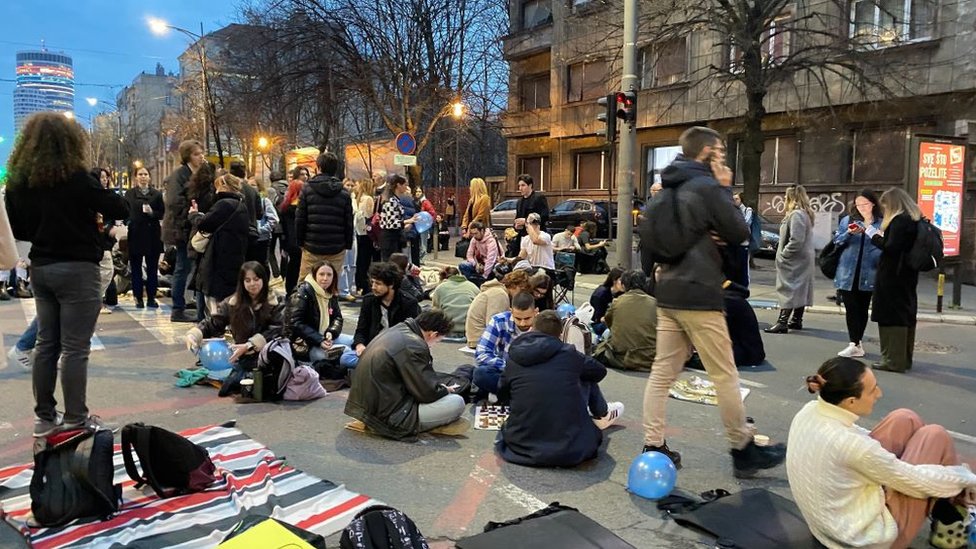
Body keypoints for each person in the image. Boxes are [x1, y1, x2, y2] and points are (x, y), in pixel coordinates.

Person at [640, 126, 785, 476]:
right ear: (706, 153)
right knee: (725, 374)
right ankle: (742, 448)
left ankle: (653, 443)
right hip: (701, 292)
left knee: (662, 372)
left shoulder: (664, 190)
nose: (723, 156)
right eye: (719, 150)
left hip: (669, 292)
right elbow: (738, 233)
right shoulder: (706, 187)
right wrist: (723, 187)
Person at [4, 112, 129, 436]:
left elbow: (19, 228)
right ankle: (76, 417)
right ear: (70, 142)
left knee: (47, 344)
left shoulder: (20, 181)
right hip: (77, 267)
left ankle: (45, 418)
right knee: (75, 347)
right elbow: (120, 208)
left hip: (42, 268)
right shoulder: (75, 176)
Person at [787, 357, 976, 549]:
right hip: (861, 541)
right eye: (872, 390)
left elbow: (858, 441)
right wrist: (968, 478)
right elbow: (917, 481)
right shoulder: (854, 447)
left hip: (830, 522)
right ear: (851, 401)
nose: (879, 394)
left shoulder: (809, 411)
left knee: (905, 418)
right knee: (935, 436)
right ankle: (949, 521)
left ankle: (947, 513)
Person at [497, 311, 624, 467]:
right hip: (568, 446)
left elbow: (502, 392)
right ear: (560, 334)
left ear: (533, 329)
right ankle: (602, 413)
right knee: (585, 374)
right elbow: (599, 372)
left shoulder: (514, 355)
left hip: (522, 441)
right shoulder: (570, 355)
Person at [344, 309, 468, 440]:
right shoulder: (415, 345)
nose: (434, 345)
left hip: (366, 405)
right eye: (437, 341)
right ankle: (427, 425)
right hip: (388, 415)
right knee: (456, 402)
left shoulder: (399, 329)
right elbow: (426, 393)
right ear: (433, 334)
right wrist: (444, 390)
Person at [185, 262, 284, 395]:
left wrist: (250, 345)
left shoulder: (277, 301)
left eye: (256, 279)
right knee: (228, 388)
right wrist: (194, 334)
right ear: (242, 283)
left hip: (269, 355)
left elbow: (277, 329)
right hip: (242, 356)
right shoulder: (232, 303)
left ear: (264, 280)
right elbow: (214, 322)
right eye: (247, 280)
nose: (252, 284)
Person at [868, 188, 922, 373]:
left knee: (890, 315)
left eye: (885, 206)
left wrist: (873, 236)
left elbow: (891, 247)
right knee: (905, 314)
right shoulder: (914, 219)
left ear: (893, 204)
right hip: (907, 275)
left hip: (893, 275)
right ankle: (904, 358)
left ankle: (892, 360)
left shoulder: (899, 221)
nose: (883, 210)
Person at [189, 173, 250, 314]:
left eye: (217, 187)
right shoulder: (241, 205)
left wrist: (194, 215)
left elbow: (204, 224)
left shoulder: (224, 204)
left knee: (214, 298)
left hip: (218, 256)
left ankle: (214, 325)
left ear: (224, 186)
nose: (216, 191)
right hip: (235, 256)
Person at [833, 190, 883, 358]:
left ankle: (857, 342)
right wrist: (848, 232)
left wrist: (873, 233)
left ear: (873, 204)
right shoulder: (848, 220)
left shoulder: (881, 222)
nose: (862, 208)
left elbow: (885, 245)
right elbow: (837, 241)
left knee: (862, 308)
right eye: (859, 204)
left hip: (869, 271)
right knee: (851, 308)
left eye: (865, 204)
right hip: (848, 270)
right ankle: (854, 342)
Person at [345, 262, 422, 369]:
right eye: (372, 283)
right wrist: (360, 345)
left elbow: (412, 337)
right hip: (372, 347)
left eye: (378, 284)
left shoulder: (408, 303)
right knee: (346, 358)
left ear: (391, 284)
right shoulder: (369, 300)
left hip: (397, 351)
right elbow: (361, 330)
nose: (373, 287)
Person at [162, 139, 206, 322]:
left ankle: (190, 302)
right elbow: (174, 202)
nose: (201, 156)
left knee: (192, 267)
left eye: (201, 152)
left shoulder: (199, 173)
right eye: (196, 154)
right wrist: (191, 207)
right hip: (181, 228)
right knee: (182, 267)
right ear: (188, 156)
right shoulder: (179, 175)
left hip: (194, 226)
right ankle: (177, 308)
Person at [296, 152, 353, 283]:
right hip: (336, 246)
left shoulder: (307, 189)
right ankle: (329, 304)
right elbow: (348, 221)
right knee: (331, 284)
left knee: (306, 283)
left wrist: (300, 242)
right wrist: (347, 244)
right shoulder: (344, 192)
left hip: (312, 245)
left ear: (319, 167)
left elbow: (300, 219)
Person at [765, 185, 815, 334]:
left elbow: (796, 240)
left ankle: (783, 322)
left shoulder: (796, 215)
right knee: (800, 288)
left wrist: (783, 255)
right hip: (802, 259)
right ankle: (796, 320)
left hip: (794, 260)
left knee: (789, 288)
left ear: (790, 198)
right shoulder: (804, 214)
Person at [288, 260, 355, 362]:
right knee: (346, 351)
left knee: (355, 342)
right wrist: (319, 339)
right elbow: (295, 323)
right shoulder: (302, 292)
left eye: (329, 275)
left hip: (326, 337)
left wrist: (331, 331)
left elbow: (337, 318)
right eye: (321, 274)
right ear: (315, 275)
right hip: (306, 345)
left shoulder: (330, 293)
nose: (325, 278)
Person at [474, 292, 538, 399]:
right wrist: (510, 368)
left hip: (532, 377)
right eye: (518, 318)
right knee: (481, 374)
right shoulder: (499, 321)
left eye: (527, 318)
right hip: (506, 372)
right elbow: (481, 353)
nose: (522, 323)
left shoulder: (543, 324)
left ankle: (510, 396)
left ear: (536, 312)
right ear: (511, 311)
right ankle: (520, 397)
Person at [124, 166, 165, 308]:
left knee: (152, 267)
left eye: (145, 174)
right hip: (136, 233)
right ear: (136, 177)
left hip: (152, 234)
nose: (143, 177)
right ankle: (138, 297)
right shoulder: (129, 194)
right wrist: (128, 221)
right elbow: (125, 211)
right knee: (135, 267)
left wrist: (152, 213)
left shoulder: (157, 194)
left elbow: (162, 212)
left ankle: (151, 296)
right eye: (140, 174)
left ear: (149, 177)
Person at [602, 270, 657, 371]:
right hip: (650, 357)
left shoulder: (617, 302)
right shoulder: (655, 303)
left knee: (605, 335)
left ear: (623, 285)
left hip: (621, 357)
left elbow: (608, 322)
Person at [465, 270, 532, 349]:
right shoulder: (500, 295)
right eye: (522, 289)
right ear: (514, 285)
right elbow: (495, 325)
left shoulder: (497, 291)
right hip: (480, 339)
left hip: (476, 336)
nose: (522, 294)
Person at [92, 167, 121, 314]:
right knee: (104, 270)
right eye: (102, 177)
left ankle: (98, 300)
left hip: (105, 241)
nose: (105, 180)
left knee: (107, 270)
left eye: (106, 177)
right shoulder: (91, 197)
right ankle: (97, 301)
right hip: (94, 240)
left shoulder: (108, 196)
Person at [279, 168, 308, 293]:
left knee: (293, 266)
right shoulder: (303, 207)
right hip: (302, 241)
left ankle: (289, 290)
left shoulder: (285, 207)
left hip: (290, 241)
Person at [228, 161, 264, 265]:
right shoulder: (252, 191)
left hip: (234, 235)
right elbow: (260, 214)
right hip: (251, 233)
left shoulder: (229, 189)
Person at [430, 266, 479, 339]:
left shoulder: (440, 288)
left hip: (447, 328)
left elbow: (435, 311)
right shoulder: (473, 287)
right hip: (469, 329)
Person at [378, 174, 417, 261]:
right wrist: (408, 221)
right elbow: (392, 223)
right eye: (405, 185)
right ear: (398, 185)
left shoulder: (395, 200)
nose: (406, 187)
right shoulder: (391, 201)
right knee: (391, 264)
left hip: (394, 237)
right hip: (390, 238)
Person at [459, 221, 501, 285]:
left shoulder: (491, 241)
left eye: (476, 233)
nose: (474, 236)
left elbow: (491, 260)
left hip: (493, 264)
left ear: (482, 231)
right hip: (480, 263)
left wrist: (484, 276)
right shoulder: (474, 239)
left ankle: (481, 282)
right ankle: (472, 283)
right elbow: (469, 255)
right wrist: (475, 264)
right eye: (472, 234)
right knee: (463, 265)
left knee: (495, 268)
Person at [354, 178, 376, 296]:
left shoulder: (358, 199)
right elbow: (369, 215)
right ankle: (365, 285)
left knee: (359, 260)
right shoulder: (369, 199)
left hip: (358, 232)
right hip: (366, 232)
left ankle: (359, 284)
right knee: (366, 261)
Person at [338, 178, 359, 300]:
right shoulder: (341, 198)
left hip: (354, 234)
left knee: (353, 263)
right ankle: (343, 290)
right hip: (343, 234)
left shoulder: (354, 199)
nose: (350, 187)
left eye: (352, 185)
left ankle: (351, 288)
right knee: (344, 264)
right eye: (347, 184)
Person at [590, 268, 624, 336]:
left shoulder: (621, 294)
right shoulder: (601, 294)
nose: (624, 284)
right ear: (614, 280)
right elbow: (598, 318)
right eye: (621, 280)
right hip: (597, 324)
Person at [732, 193, 754, 287]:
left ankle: (745, 286)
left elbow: (746, 222)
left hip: (744, 243)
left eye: (736, 199)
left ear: (741, 200)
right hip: (735, 243)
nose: (734, 201)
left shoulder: (747, 210)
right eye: (733, 199)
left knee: (744, 267)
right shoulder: (733, 210)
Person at [414, 186, 437, 255]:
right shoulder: (415, 201)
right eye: (416, 192)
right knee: (419, 243)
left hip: (423, 225)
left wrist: (427, 221)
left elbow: (432, 213)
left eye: (419, 191)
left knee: (423, 243)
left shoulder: (425, 202)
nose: (418, 193)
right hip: (417, 224)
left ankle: (422, 258)